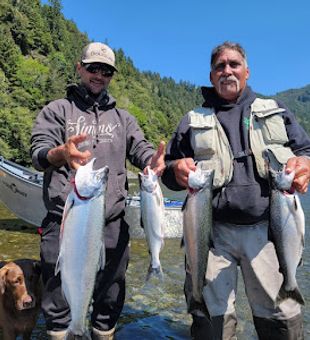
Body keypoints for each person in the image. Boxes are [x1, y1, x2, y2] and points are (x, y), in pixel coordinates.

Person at [161, 41, 310, 340]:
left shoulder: (277, 110)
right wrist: (175, 170)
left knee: (280, 317)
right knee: (212, 321)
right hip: (210, 234)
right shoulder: (192, 120)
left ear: (247, 71)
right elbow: (167, 171)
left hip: (270, 231)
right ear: (211, 75)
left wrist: (304, 163)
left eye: (234, 64)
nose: (227, 71)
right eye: (220, 66)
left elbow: (305, 149)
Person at [30, 42, 165, 340]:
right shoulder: (57, 110)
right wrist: (60, 154)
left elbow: (140, 149)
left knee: (110, 298)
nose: (99, 75)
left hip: (112, 225)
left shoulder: (123, 119)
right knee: (57, 298)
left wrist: (151, 162)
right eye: (93, 68)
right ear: (80, 68)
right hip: (64, 219)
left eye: (106, 71)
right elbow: (38, 153)